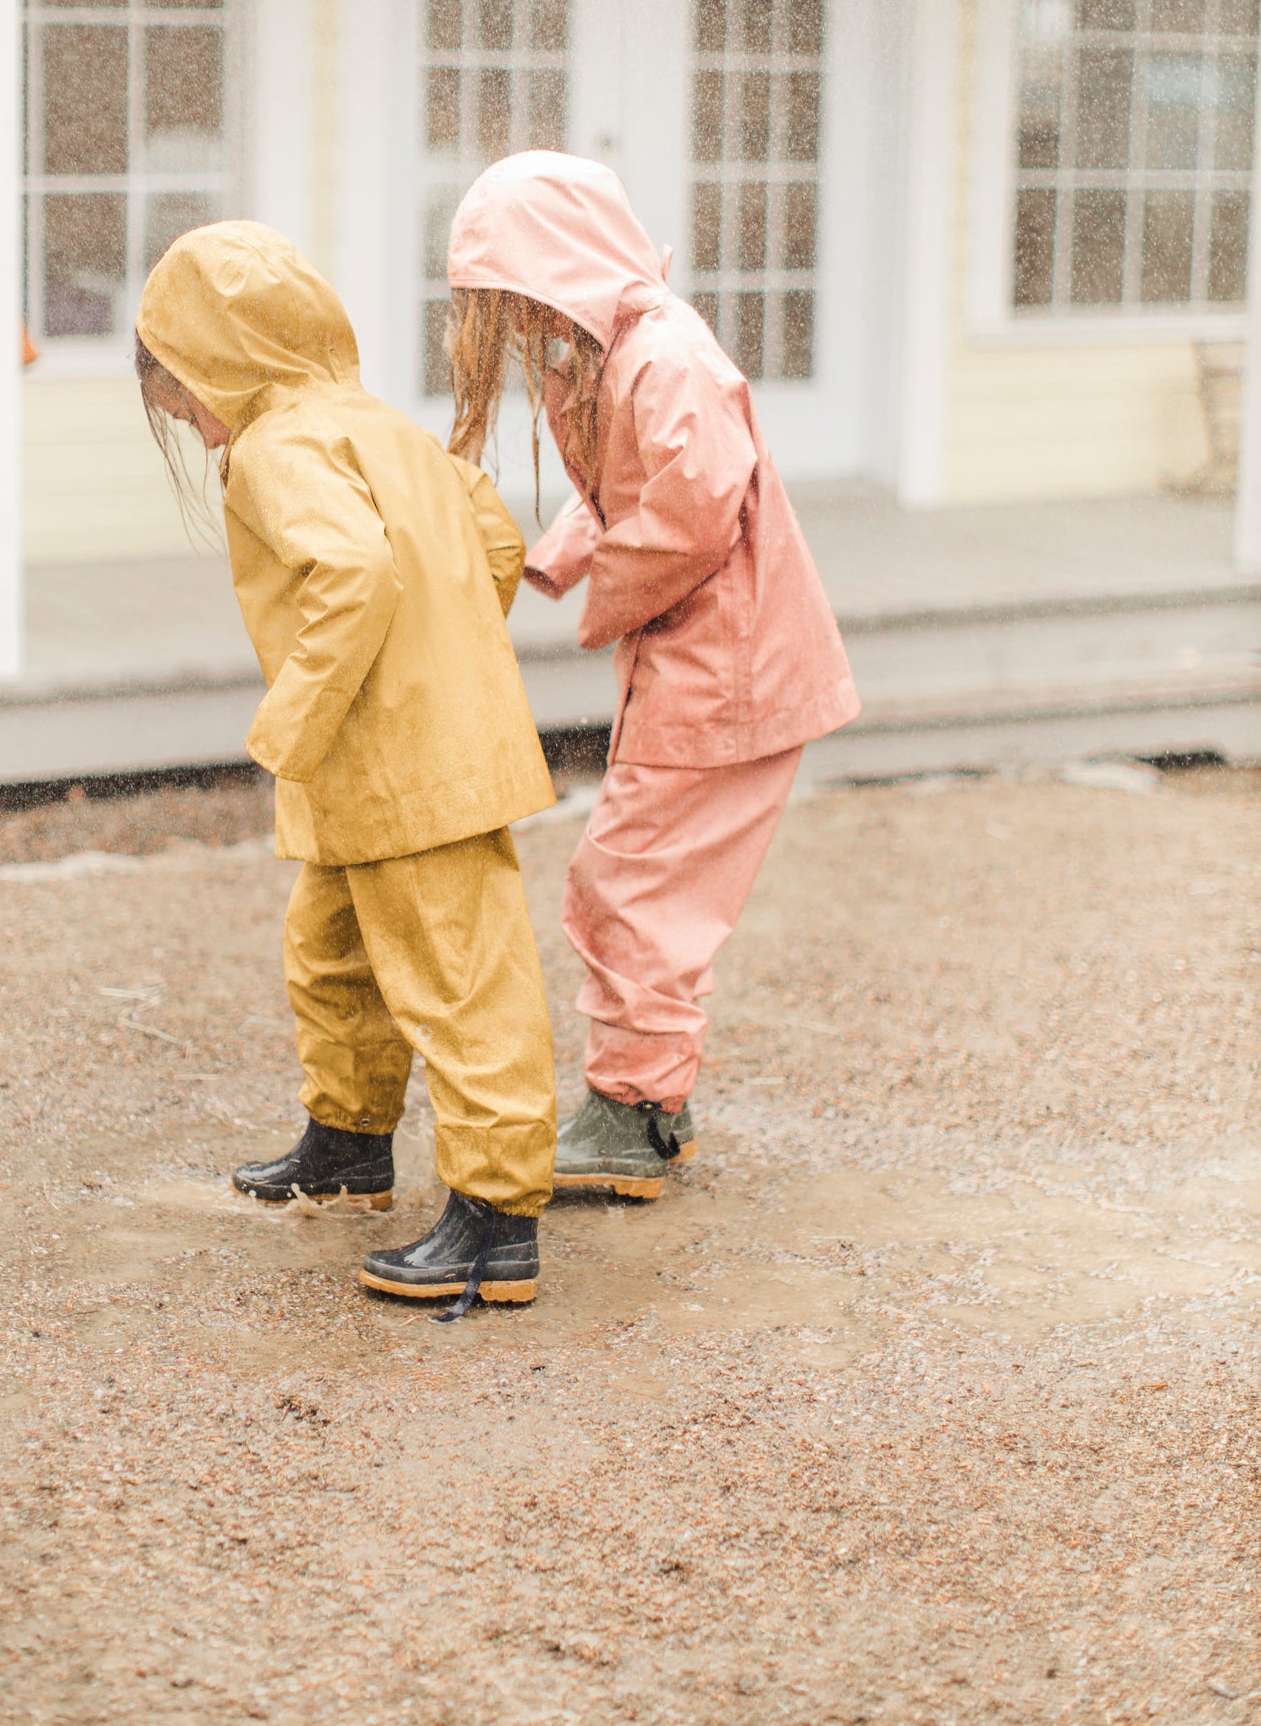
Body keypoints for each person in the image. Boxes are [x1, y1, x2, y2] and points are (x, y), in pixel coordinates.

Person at [135, 219, 559, 1312]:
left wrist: (293, 721)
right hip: (396, 753)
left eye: (183, 397)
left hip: (391, 759)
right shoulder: (380, 424)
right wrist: (450, 666)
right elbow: (494, 540)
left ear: (219, 367)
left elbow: (356, 572)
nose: (191, 420)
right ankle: (349, 1140)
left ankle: (497, 1220)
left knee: (459, 978)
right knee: (335, 951)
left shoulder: (277, 449)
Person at [446, 150, 860, 1200]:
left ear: (558, 264)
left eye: (511, 293)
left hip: (729, 663)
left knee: (630, 875)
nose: (508, 319)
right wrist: (546, 563)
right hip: (709, 654)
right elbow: (625, 484)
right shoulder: (605, 351)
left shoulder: (663, 357)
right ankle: (647, 1100)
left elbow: (687, 515)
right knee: (645, 874)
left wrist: (602, 602)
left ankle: (633, 1109)